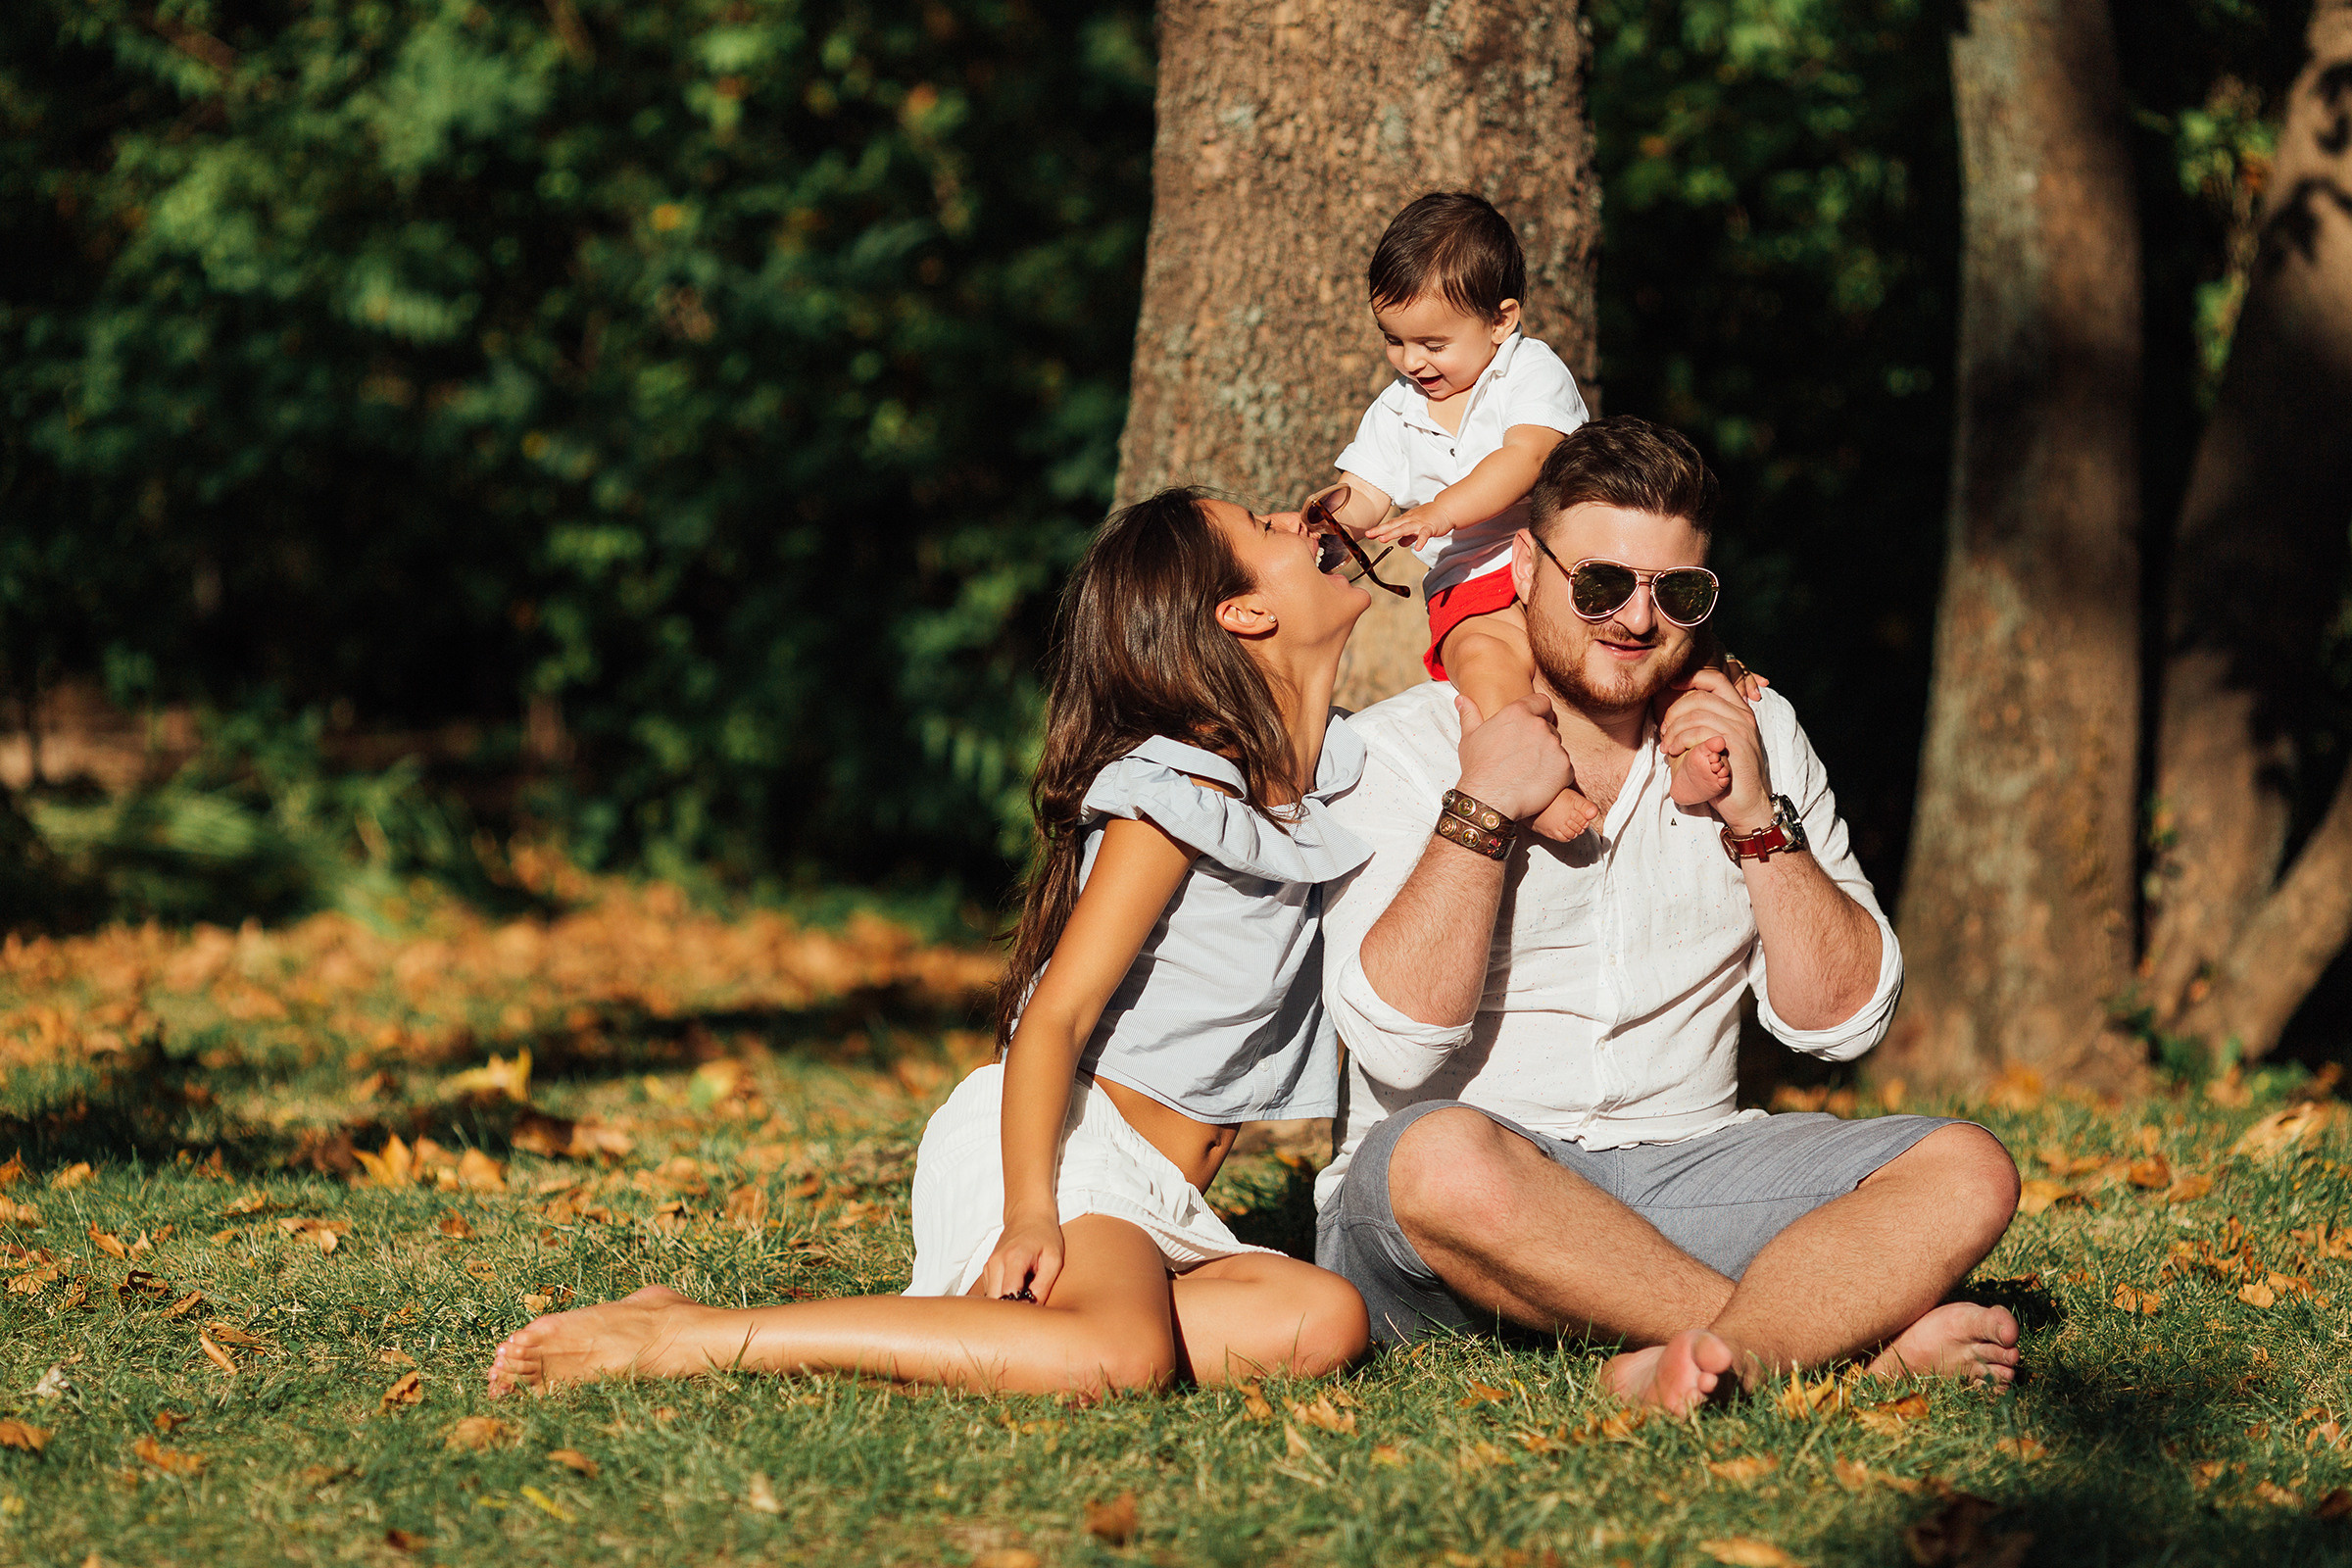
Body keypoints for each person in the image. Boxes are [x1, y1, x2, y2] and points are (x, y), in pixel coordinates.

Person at [489, 488, 1377, 1398]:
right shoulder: (1179, 794)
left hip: (1157, 1200)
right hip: (1066, 1150)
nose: (1295, 519)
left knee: (1321, 1320)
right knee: (1120, 1362)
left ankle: (1011, 1337)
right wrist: (1031, 1209)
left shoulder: (1322, 778)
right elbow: (1054, 1018)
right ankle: (692, 1335)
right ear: (1244, 613)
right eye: (1264, 527)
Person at [1312, 416, 2024, 1415]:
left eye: (1677, 592)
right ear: (1523, 566)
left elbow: (1842, 1024)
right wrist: (1480, 812)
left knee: (1967, 1166)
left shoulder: (1754, 732)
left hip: (1689, 1170)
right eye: (1600, 584)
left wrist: (1756, 823)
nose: (1636, 620)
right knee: (1436, 1158)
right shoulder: (1401, 752)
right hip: (1466, 1206)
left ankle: (1705, 1357)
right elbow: (1393, 1044)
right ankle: (1830, 1348)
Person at [1312, 191, 1740, 838]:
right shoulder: (1395, 409)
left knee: (1655, 650)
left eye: (1432, 342)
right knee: (1488, 670)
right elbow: (1366, 489)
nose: (1410, 362)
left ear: (1500, 320)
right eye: (1393, 341)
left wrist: (1439, 511)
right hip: (1468, 584)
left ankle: (1690, 753)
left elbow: (1527, 457)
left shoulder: (1529, 372)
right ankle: (1536, 784)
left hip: (1562, 569)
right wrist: (1330, 524)